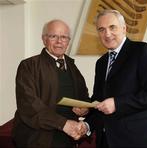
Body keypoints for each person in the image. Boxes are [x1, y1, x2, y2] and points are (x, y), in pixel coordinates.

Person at [84, 9, 147, 148]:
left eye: (112, 27)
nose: (107, 34)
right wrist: (86, 111)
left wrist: (118, 104)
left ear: (124, 28)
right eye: (101, 29)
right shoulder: (101, 63)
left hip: (134, 140)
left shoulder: (142, 51)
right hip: (105, 140)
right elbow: (100, 99)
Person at [12, 19, 89, 148]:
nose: (59, 41)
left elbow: (83, 97)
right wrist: (63, 124)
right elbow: (29, 104)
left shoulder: (72, 67)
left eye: (64, 37)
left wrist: (85, 109)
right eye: (54, 36)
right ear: (44, 39)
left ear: (68, 41)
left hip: (68, 137)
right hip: (38, 138)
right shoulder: (29, 66)